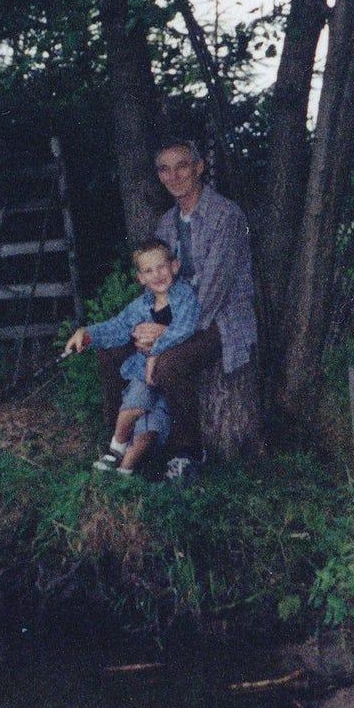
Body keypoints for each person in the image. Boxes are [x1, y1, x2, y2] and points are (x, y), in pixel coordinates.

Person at [97, 139, 260, 482]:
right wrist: (146, 326)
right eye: (164, 169)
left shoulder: (225, 217)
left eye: (182, 166)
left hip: (219, 319)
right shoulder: (166, 224)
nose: (173, 176)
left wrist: (165, 333)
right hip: (170, 319)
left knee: (171, 363)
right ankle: (120, 443)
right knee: (111, 353)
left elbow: (213, 291)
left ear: (199, 168)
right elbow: (154, 286)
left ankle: (187, 452)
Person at [64, 239, 199, 476]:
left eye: (161, 266)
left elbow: (184, 329)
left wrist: (154, 353)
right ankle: (116, 449)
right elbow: (118, 327)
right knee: (134, 407)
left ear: (175, 266)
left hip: (168, 381)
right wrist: (88, 333)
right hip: (142, 378)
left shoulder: (185, 297)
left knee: (149, 431)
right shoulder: (140, 306)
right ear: (140, 278)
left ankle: (124, 471)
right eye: (148, 270)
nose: (157, 275)